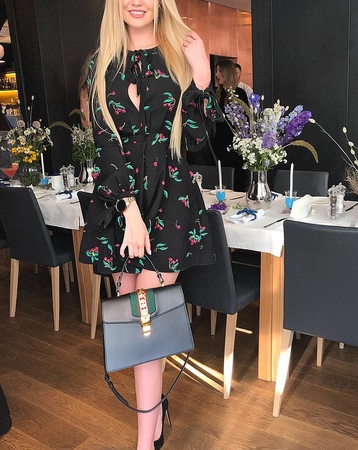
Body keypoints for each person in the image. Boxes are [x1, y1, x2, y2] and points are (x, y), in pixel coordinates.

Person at [79, 1, 219, 449]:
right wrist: (129, 211)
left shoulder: (179, 52)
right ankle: (153, 424)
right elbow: (105, 144)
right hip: (121, 204)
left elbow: (196, 139)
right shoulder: (102, 63)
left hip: (171, 201)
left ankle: (144, 442)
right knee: (141, 322)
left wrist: (201, 78)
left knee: (147, 319)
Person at [211, 59, 248, 191]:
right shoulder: (215, 94)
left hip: (235, 146)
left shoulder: (240, 93)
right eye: (216, 71)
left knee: (236, 182)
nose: (217, 74)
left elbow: (245, 120)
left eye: (220, 71)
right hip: (218, 145)